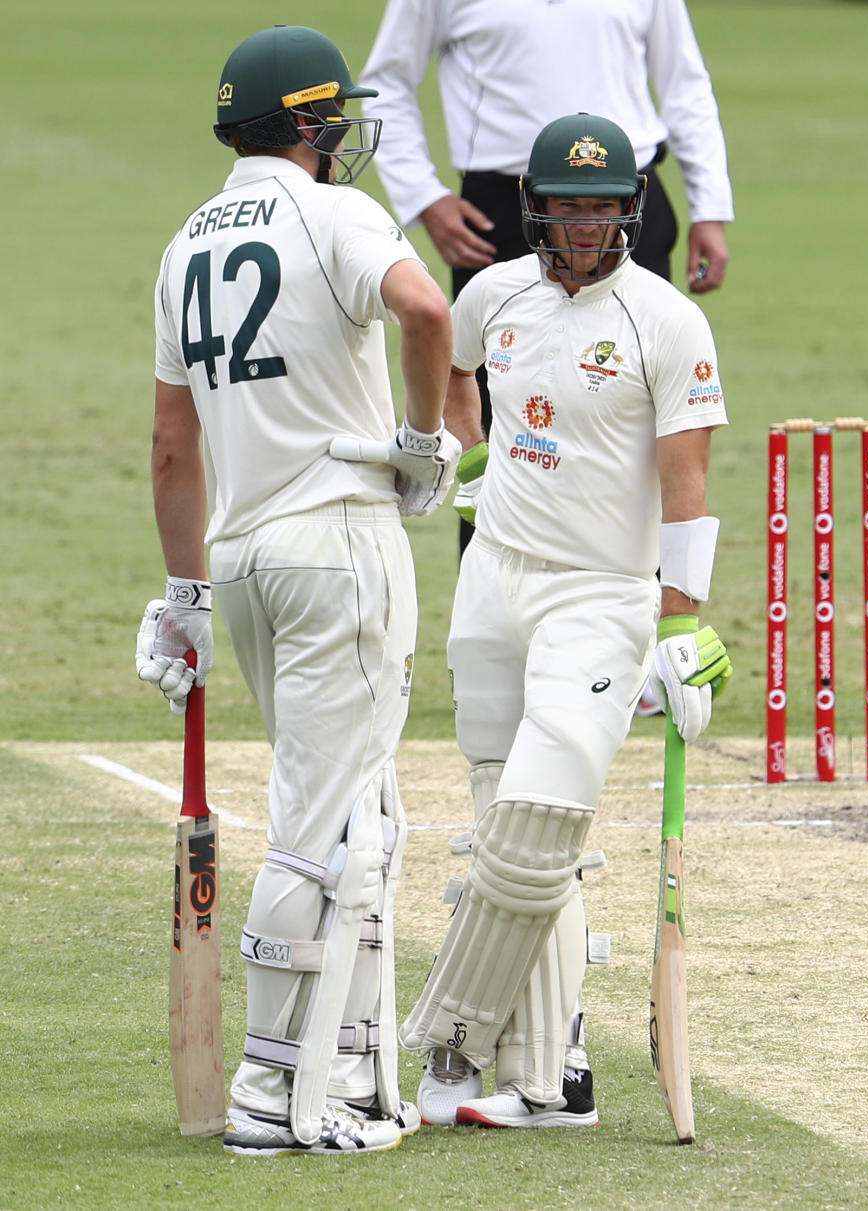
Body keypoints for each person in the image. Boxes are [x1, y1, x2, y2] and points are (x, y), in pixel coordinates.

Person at [135, 24, 460, 1157]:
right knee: (324, 826)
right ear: (313, 126)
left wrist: (180, 593)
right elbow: (430, 312)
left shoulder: (183, 244)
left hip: (241, 559)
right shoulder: (337, 215)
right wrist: (422, 439)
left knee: (356, 811)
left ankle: (352, 1060)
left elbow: (173, 445)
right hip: (339, 541)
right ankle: (275, 1096)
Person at [398, 113, 731, 1129]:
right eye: (569, 205)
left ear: (631, 208)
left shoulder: (665, 321)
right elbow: (457, 371)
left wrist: (679, 625)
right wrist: (471, 451)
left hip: (602, 590)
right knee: (505, 815)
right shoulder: (492, 293)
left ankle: (449, 1043)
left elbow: (689, 485)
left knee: (539, 827)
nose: (587, 225)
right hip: (495, 579)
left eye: (604, 205)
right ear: (534, 207)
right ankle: (551, 1074)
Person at [359, 0, 735, 555]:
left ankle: (647, 598)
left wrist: (710, 206)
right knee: (492, 403)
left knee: (640, 400)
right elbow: (387, 80)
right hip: (502, 209)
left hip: (625, 201)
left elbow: (684, 80)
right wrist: (425, 197)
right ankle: (494, 582)